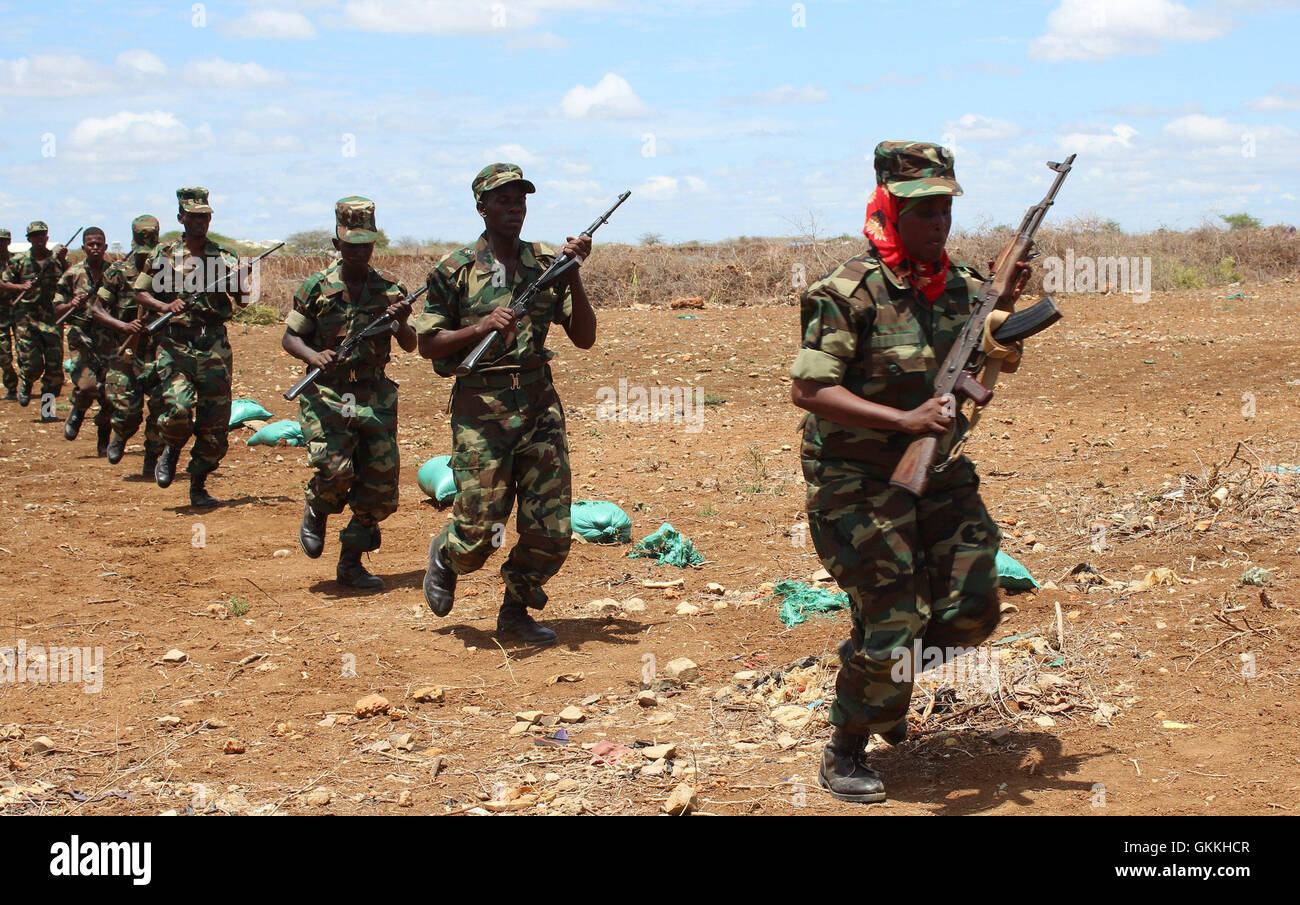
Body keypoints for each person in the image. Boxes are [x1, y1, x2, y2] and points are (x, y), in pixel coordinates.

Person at [789, 141, 1025, 804]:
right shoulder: (845, 292)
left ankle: (882, 677)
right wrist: (904, 422)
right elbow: (810, 391)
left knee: (974, 607)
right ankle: (846, 744)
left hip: (940, 471)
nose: (937, 225)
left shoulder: (962, 287)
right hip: (854, 478)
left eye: (945, 209)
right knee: (897, 620)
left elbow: (979, 370)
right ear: (890, 210)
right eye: (923, 212)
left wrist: (1003, 340)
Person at [416, 163, 596, 646]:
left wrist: (573, 274)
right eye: (503, 199)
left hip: (539, 403)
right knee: (479, 530)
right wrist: (481, 328)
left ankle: (516, 609)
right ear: (482, 207)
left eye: (520, 199)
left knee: (551, 527)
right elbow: (427, 343)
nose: (514, 206)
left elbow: (584, 337)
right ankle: (446, 555)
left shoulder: (544, 266)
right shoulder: (453, 270)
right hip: (481, 408)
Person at [283, 197, 416, 590]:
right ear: (337, 243)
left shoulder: (391, 290)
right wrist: (314, 354)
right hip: (327, 393)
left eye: (366, 244)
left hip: (374, 395)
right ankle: (318, 506)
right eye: (351, 243)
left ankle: (351, 561)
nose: (359, 251)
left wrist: (401, 322)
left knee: (380, 491)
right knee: (336, 470)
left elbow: (410, 345)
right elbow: (291, 337)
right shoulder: (316, 288)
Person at [133, 187, 251, 507]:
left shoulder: (225, 256)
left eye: (205, 216)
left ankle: (198, 485)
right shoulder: (163, 254)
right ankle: (171, 449)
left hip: (213, 345)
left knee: (214, 425)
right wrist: (164, 307)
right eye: (195, 216)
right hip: (175, 345)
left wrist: (241, 279)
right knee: (177, 409)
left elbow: (241, 301)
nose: (201, 222)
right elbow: (140, 292)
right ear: (181, 218)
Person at [100, 215, 162, 473]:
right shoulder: (117, 272)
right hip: (126, 351)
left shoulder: (168, 273)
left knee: (162, 409)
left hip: (159, 350)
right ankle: (120, 435)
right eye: (141, 252)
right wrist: (123, 326)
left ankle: (152, 458)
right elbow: (97, 309)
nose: (144, 257)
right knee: (127, 410)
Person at [0, 221, 69, 415]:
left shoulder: (55, 261)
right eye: (35, 236)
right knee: (32, 364)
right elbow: (3, 283)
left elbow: (71, 278)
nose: (39, 239)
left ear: (47, 237)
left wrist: (63, 261)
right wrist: (20, 287)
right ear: (29, 239)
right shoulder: (19, 261)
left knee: (54, 369)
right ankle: (27, 381)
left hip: (52, 320)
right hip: (26, 319)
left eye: (42, 235)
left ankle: (48, 410)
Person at [54, 227, 113, 453]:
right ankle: (78, 410)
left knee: (109, 394)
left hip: (109, 339)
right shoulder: (72, 275)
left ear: (105, 247)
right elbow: (57, 309)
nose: (95, 248)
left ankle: (103, 438)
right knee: (88, 386)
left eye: (99, 244)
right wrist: (72, 304)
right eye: (90, 244)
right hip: (82, 338)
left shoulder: (114, 273)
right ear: (84, 248)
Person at [0, 229, 19, 400]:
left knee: (27, 353)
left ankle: (26, 383)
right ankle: (11, 385)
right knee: (3, 354)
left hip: (20, 312)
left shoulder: (17, 261)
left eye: (4, 241)